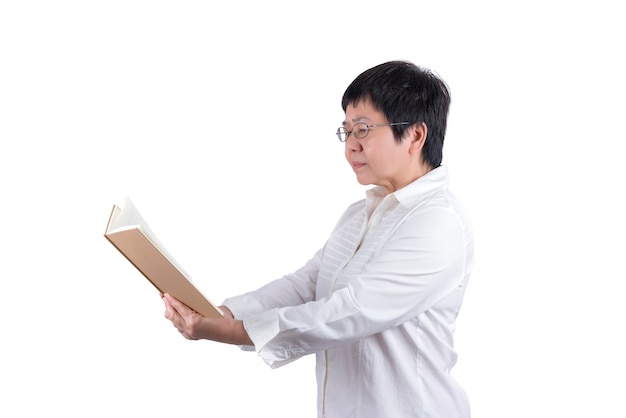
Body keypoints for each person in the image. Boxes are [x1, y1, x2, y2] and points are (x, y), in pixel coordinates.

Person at [162, 60, 474, 418]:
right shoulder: (360, 213)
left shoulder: (438, 223)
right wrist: (224, 312)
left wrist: (229, 330)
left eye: (364, 130)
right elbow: (307, 284)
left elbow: (348, 313)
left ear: (416, 135)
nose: (350, 147)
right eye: (347, 131)